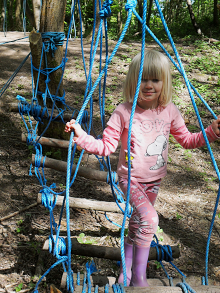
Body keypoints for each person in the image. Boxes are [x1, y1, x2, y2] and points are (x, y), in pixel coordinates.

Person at [65, 50, 220, 287]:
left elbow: (188, 140)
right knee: (149, 219)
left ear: (164, 82)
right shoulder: (123, 111)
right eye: (142, 79)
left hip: (154, 181)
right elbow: (106, 146)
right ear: (132, 81)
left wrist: (211, 132)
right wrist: (82, 137)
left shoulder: (169, 110)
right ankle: (139, 279)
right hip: (131, 179)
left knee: (138, 223)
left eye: (155, 79)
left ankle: (125, 271)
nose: (148, 85)